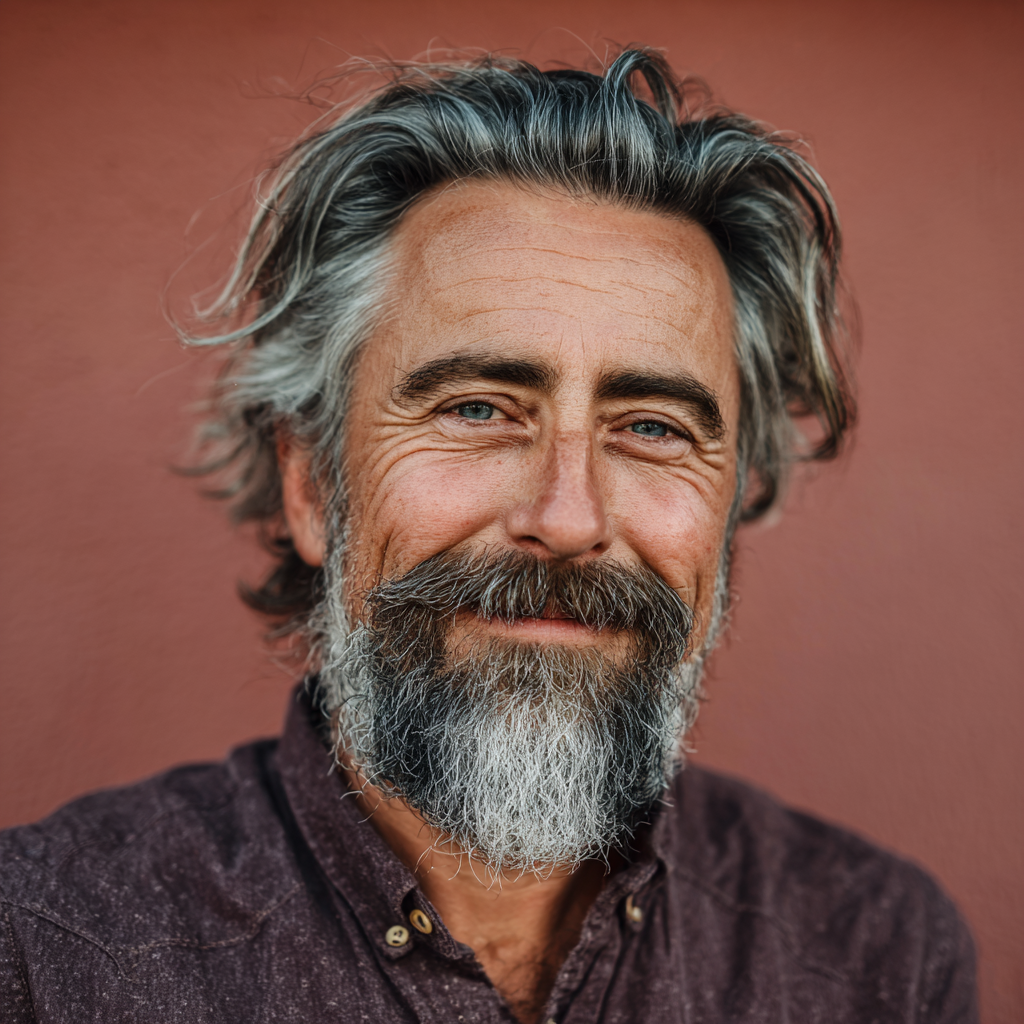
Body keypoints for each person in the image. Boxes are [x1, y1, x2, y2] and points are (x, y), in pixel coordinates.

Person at [0, 50, 977, 1023]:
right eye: (477, 408)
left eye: (651, 427)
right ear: (312, 485)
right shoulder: (48, 954)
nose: (567, 518)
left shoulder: (873, 959)